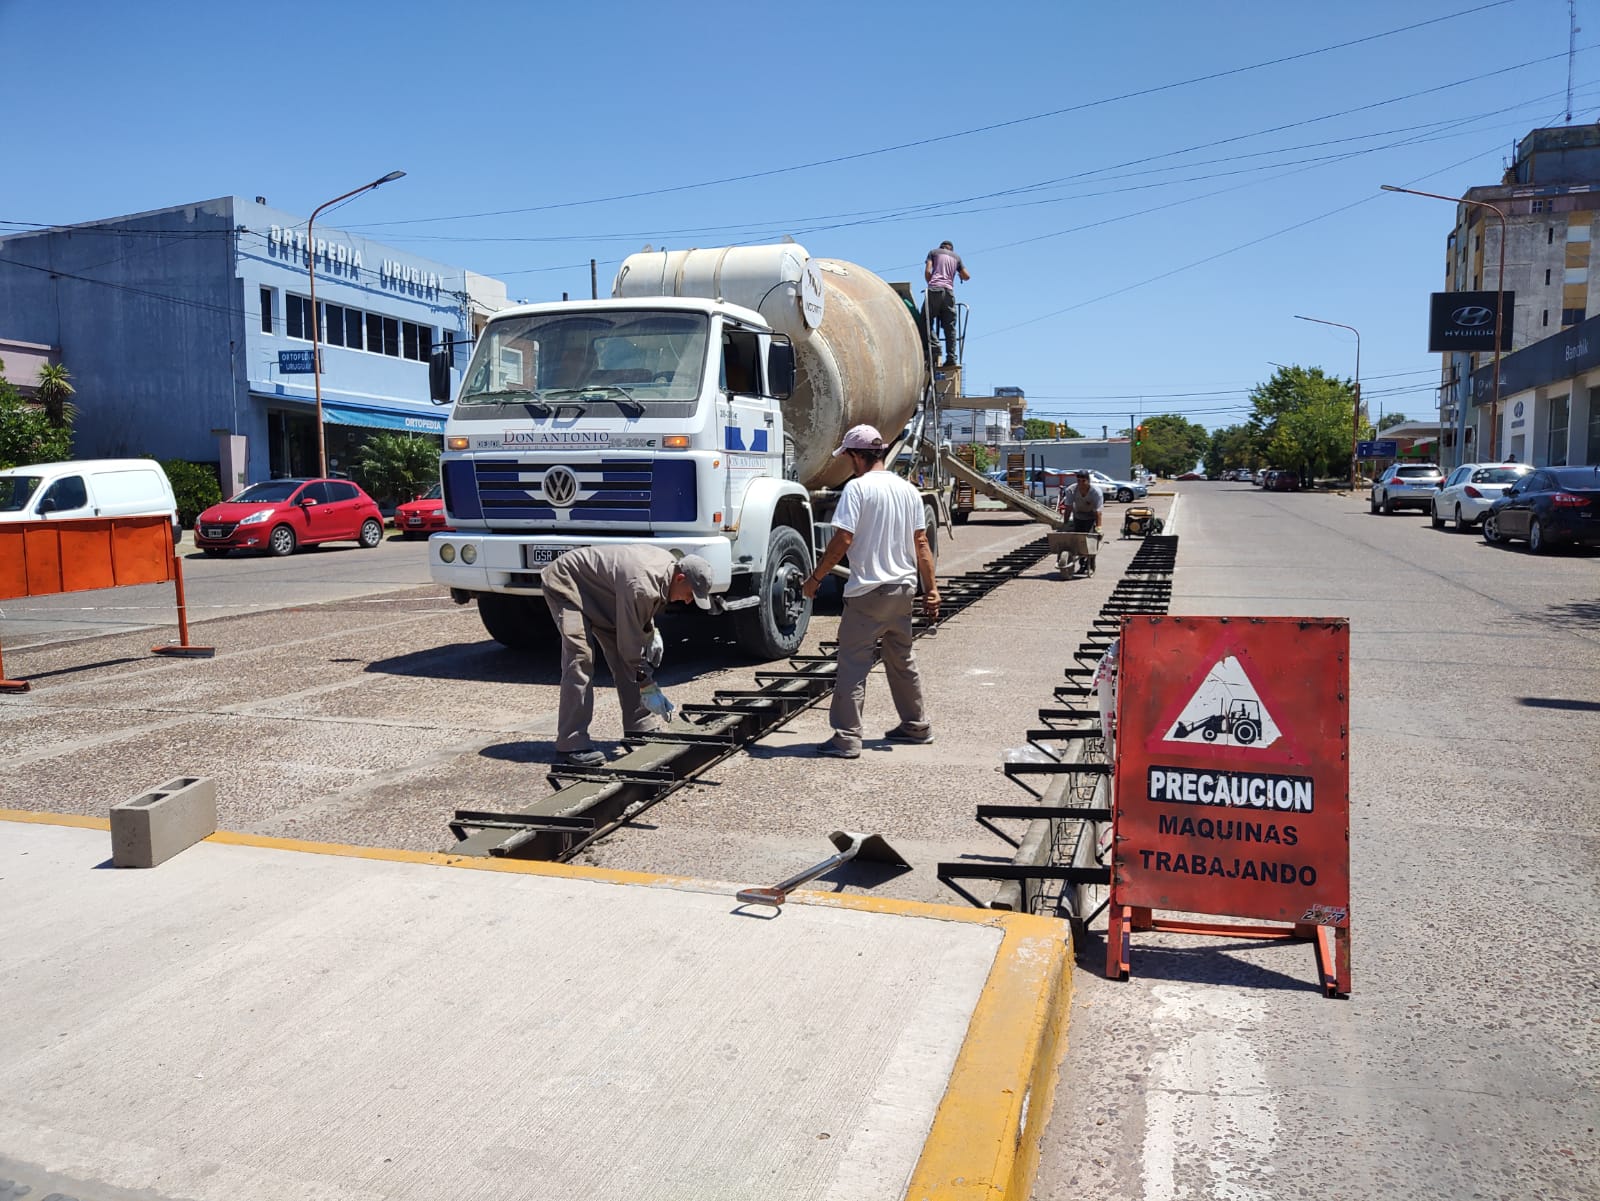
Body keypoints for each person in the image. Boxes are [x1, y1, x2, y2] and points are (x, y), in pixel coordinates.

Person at [802, 425, 940, 759]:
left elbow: (843, 540)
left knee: (852, 664)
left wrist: (816, 577)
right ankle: (916, 726)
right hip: (903, 589)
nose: (848, 464)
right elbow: (921, 543)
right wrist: (931, 590)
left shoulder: (858, 489)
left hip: (868, 592)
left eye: (848, 456)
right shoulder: (908, 491)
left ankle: (847, 738)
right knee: (902, 660)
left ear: (855, 455)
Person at [540, 546, 714, 767]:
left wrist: (650, 632)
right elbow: (630, 649)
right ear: (680, 578)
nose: (689, 601)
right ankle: (571, 745)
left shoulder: (666, 569)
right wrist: (649, 686)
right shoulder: (643, 584)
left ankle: (639, 726)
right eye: (690, 594)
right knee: (580, 659)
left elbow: (638, 613)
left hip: (604, 596)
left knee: (628, 662)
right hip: (568, 584)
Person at [922, 240, 970, 367]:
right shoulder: (956, 258)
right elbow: (966, 276)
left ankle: (935, 344)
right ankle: (951, 357)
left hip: (934, 290)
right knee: (950, 328)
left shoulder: (933, 253)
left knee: (925, 320)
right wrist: (958, 274)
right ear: (951, 249)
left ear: (941, 247)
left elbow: (928, 271)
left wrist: (931, 283)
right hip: (949, 293)